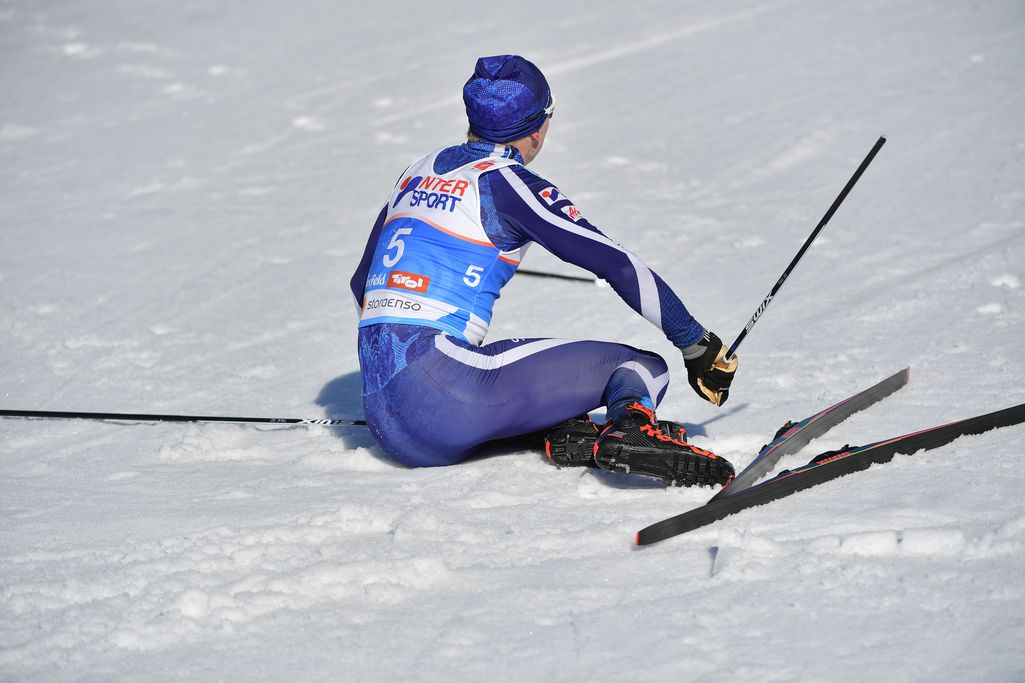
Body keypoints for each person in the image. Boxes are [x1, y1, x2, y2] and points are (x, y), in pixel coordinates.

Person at [350, 55, 738, 486]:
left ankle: (561, 430)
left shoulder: (417, 170)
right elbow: (616, 263)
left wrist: (403, 392)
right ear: (538, 127)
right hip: (447, 399)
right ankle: (630, 428)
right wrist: (695, 344)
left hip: (386, 420)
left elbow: (360, 284)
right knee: (641, 366)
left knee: (495, 370)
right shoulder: (507, 183)